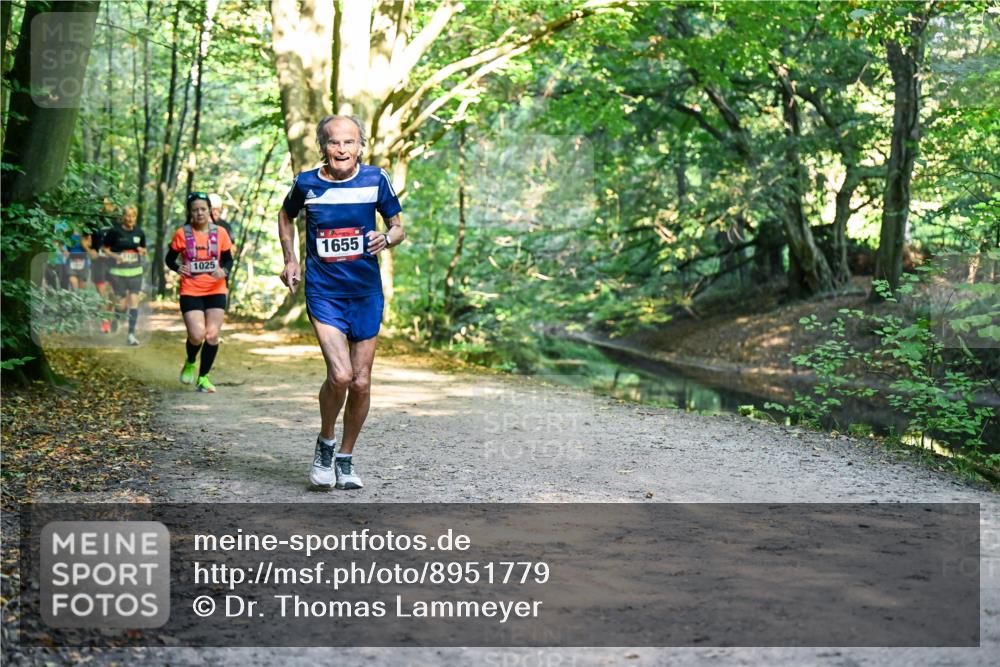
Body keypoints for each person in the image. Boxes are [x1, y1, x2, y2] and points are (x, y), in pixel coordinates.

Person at [279, 115, 405, 490]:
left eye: (349, 142)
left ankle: (345, 458)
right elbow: (285, 216)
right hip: (325, 292)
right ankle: (326, 443)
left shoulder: (376, 179)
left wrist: (387, 238)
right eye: (334, 142)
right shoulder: (306, 183)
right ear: (323, 147)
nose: (342, 149)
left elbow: (398, 226)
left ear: (360, 146)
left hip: (365, 292)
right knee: (341, 375)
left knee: (361, 382)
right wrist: (290, 259)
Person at [165, 192, 234, 393]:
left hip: (215, 289)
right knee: (196, 335)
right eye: (195, 210)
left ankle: (203, 378)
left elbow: (228, 259)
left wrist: (224, 271)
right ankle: (190, 361)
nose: (199, 213)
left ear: (210, 210)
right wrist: (178, 268)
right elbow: (169, 259)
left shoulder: (220, 233)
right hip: (191, 290)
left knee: (212, 335)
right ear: (190, 212)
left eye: (203, 209)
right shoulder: (181, 233)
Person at [101, 205, 146, 345]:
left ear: (135, 217)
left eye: (133, 216)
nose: (130, 219)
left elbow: (143, 249)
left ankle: (131, 335)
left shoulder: (139, 232)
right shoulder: (114, 231)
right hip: (118, 273)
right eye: (127, 215)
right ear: (123, 217)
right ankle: (116, 317)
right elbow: (104, 249)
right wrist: (115, 256)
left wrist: (142, 251)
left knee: (134, 300)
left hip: (135, 272)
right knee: (120, 305)